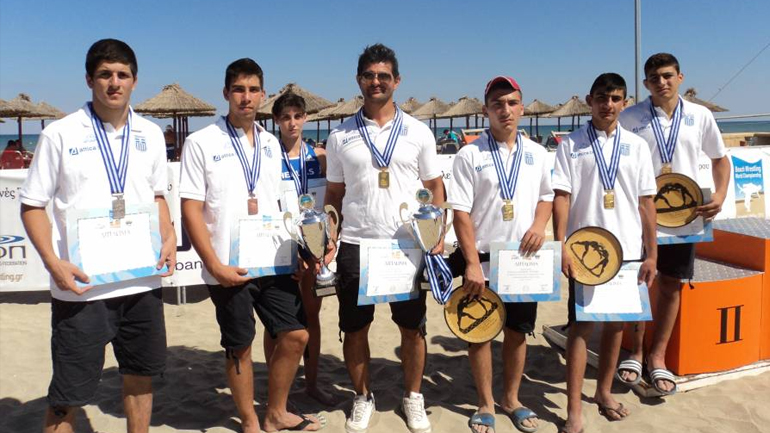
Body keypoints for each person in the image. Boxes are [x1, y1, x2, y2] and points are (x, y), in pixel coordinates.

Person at [19, 38, 176, 433]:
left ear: (134, 81)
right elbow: (32, 205)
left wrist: (169, 233)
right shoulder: (60, 134)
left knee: (140, 377)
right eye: (105, 74)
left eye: (122, 75)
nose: (114, 83)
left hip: (141, 282)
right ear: (89, 79)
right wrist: (52, 263)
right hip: (83, 288)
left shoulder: (151, 134)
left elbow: (157, 195)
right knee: (67, 396)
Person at [179, 58, 324, 432]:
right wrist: (213, 265)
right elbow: (191, 209)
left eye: (253, 90)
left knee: (295, 335)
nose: (246, 97)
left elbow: (280, 204)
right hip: (228, 265)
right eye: (239, 90)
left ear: (262, 94)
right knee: (240, 345)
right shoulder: (201, 142)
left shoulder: (271, 144)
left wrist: (296, 251)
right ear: (226, 93)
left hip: (272, 260)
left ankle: (275, 412)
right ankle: (249, 421)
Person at [323, 43, 444, 433]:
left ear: (397, 80)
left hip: (407, 246)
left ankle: (413, 397)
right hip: (357, 245)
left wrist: (437, 232)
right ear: (358, 80)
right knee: (355, 328)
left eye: (384, 76)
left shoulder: (418, 131)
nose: (376, 82)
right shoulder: (340, 135)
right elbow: (334, 196)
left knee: (412, 328)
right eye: (369, 76)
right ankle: (362, 397)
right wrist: (329, 237)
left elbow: (435, 187)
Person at [618, 53, 730, 395]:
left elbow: (720, 160)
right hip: (640, 216)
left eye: (667, 75)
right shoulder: (628, 116)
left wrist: (721, 195)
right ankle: (635, 352)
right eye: (653, 77)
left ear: (680, 77)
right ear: (645, 83)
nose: (661, 82)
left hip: (685, 215)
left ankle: (658, 356)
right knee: (637, 284)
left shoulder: (700, 115)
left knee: (672, 285)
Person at [552, 73, 657, 433]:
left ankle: (604, 393)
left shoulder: (638, 146)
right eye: (601, 97)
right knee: (581, 330)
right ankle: (573, 411)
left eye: (615, 98)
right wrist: (562, 244)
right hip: (584, 254)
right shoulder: (571, 144)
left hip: (627, 252)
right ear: (589, 100)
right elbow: (562, 198)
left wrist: (652, 253)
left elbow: (646, 203)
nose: (607, 104)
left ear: (624, 102)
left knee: (615, 326)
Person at [448, 76, 553, 433]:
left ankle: (512, 399)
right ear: (485, 110)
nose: (505, 110)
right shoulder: (469, 154)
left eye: (511, 103)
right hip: (483, 260)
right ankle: (485, 403)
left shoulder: (537, 153)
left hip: (523, 261)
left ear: (521, 107)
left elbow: (546, 197)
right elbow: (460, 213)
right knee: (480, 334)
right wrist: (473, 263)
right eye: (497, 104)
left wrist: (539, 226)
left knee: (518, 333)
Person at [268, 91, 334, 405]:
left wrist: (327, 242)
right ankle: (277, 391)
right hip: (280, 248)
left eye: (297, 116)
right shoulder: (268, 156)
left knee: (311, 315)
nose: (292, 123)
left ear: (305, 118)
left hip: (312, 247)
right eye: (285, 117)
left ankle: (311, 383)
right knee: (275, 321)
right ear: (276, 121)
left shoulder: (319, 156)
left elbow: (331, 203)